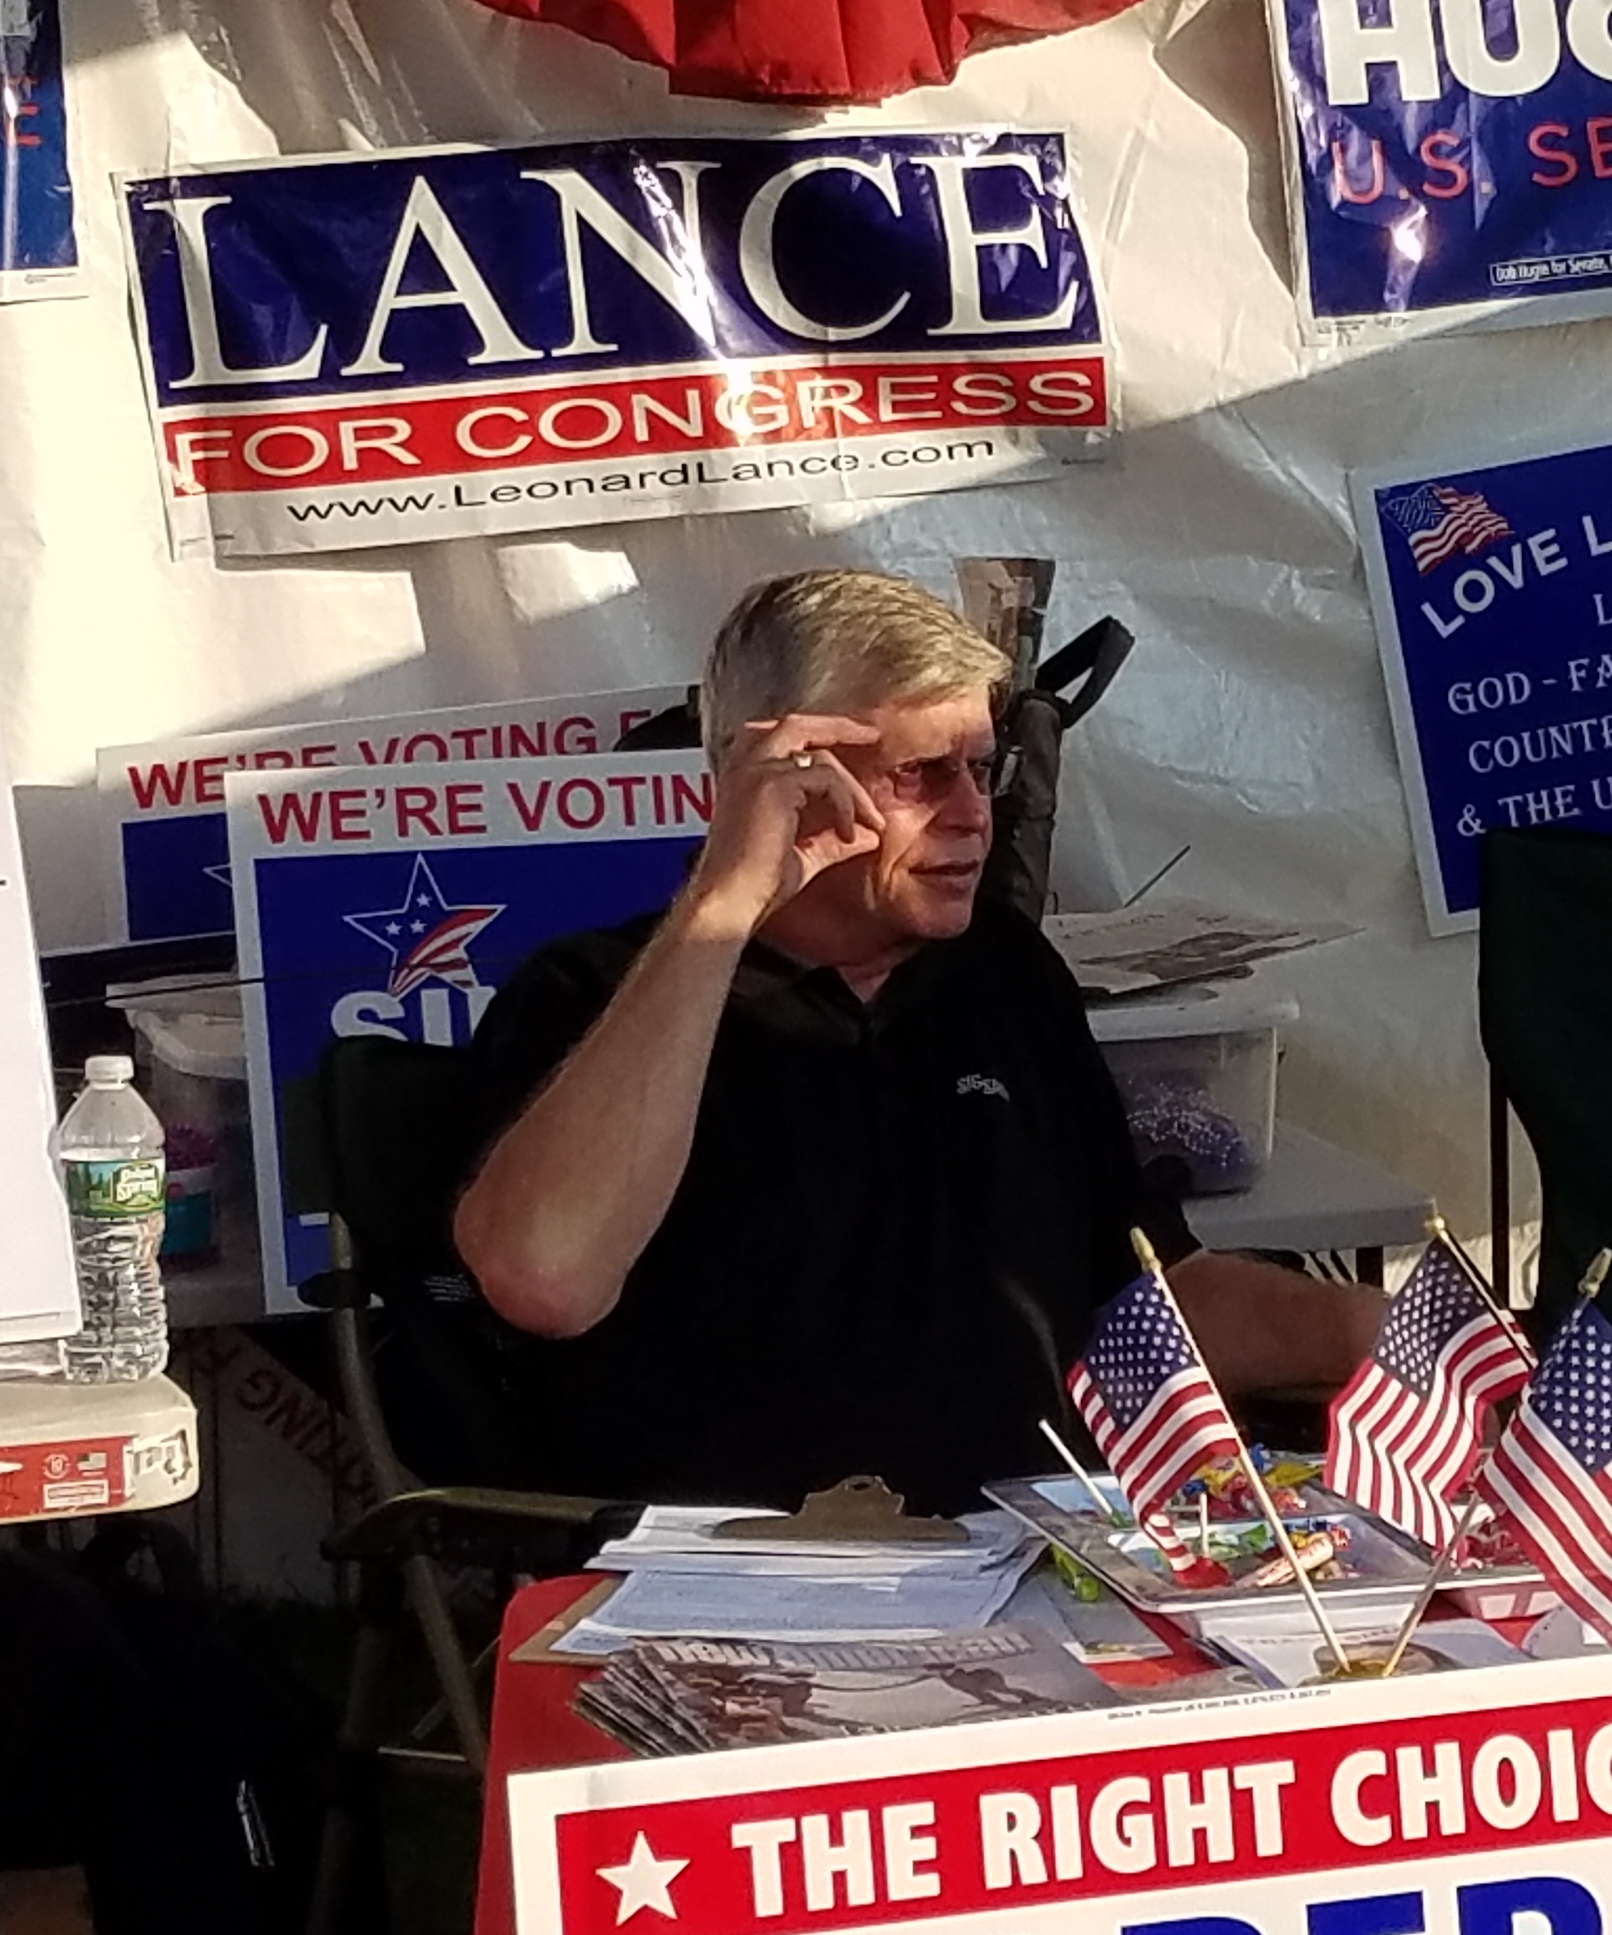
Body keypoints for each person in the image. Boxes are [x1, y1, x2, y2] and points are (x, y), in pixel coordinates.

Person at [453, 568, 1381, 1509]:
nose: (974, 814)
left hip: (1034, 1567)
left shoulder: (1002, 975)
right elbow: (546, 1280)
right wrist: (725, 905)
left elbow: (1140, 1300)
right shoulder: (597, 995)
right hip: (723, 1593)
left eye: (981, 768)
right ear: (771, 775)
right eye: (919, 775)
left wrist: (1369, 1331)